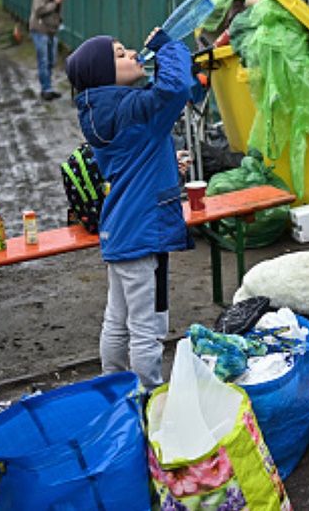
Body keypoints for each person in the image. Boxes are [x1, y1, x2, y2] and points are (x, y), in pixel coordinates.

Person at [65, 28, 195, 390]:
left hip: (120, 229)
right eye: (121, 54)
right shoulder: (134, 108)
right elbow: (175, 88)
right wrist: (169, 46)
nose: (133, 53)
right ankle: (149, 397)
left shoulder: (99, 111)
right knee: (146, 327)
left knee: (117, 320)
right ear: (104, 73)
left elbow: (134, 159)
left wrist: (169, 162)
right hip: (142, 231)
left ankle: (114, 389)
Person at [29, 0, 71, 100]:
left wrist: (60, 22)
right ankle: (46, 90)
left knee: (51, 61)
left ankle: (49, 87)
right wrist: (54, 3)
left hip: (52, 30)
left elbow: (57, 13)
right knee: (43, 60)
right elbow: (39, 11)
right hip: (39, 30)